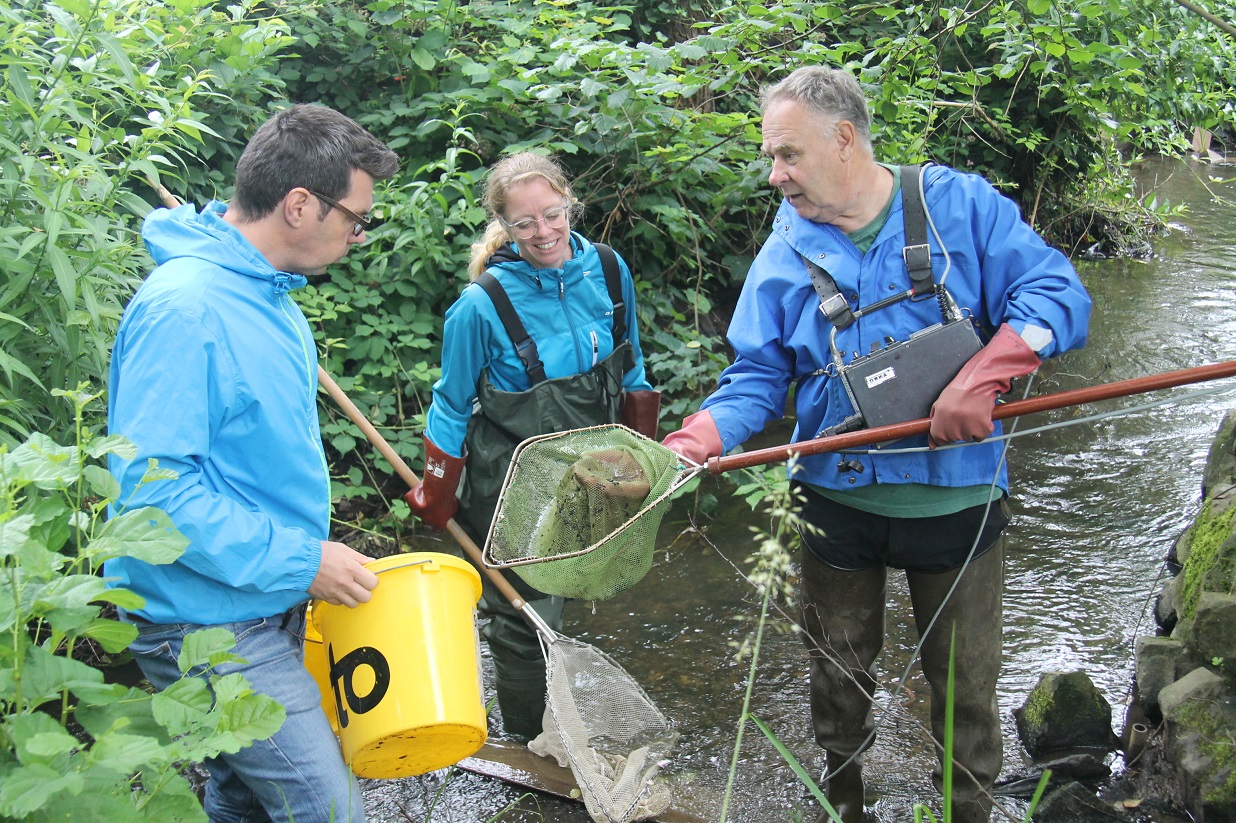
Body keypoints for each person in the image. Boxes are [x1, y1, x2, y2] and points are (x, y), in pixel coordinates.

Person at [662, 67, 1091, 822]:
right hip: (834, 502)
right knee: (836, 677)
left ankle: (968, 810)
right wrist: (700, 434)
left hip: (960, 499)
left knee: (965, 687)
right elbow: (759, 374)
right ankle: (844, 804)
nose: (775, 175)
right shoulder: (785, 247)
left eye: (787, 155)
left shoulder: (959, 205)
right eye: (771, 157)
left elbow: (1059, 293)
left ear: (845, 139)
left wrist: (986, 375)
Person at [106, 103, 399, 823]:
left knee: (245, 798)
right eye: (355, 218)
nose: (358, 235)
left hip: (263, 597)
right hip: (201, 619)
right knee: (328, 809)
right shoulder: (186, 309)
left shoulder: (267, 294)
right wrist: (303, 560)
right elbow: (152, 493)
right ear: (300, 204)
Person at [404, 152, 659, 741]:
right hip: (508, 485)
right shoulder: (479, 307)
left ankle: (560, 725)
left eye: (553, 214)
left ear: (571, 203)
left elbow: (634, 368)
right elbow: (449, 405)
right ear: (503, 226)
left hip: (590, 473)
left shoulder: (611, 271)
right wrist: (438, 491)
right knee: (521, 620)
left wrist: (642, 454)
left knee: (567, 595)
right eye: (524, 224)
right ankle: (525, 745)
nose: (543, 232)